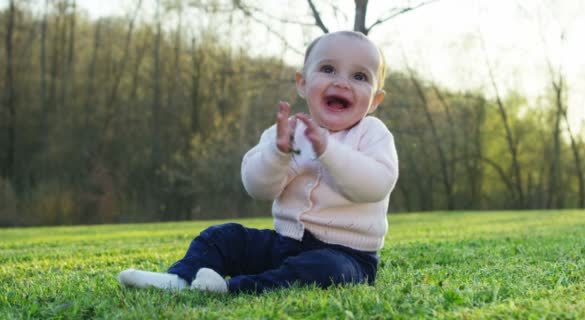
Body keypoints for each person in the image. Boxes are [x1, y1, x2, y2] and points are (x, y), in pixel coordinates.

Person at [118, 30, 399, 294]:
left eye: (360, 76)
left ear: (375, 100)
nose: (341, 82)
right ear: (303, 83)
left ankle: (234, 287)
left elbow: (375, 185)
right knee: (223, 236)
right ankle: (180, 278)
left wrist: (328, 151)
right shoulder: (286, 132)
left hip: (346, 255)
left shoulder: (372, 134)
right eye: (327, 69)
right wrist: (278, 153)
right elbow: (258, 188)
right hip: (284, 243)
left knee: (325, 270)